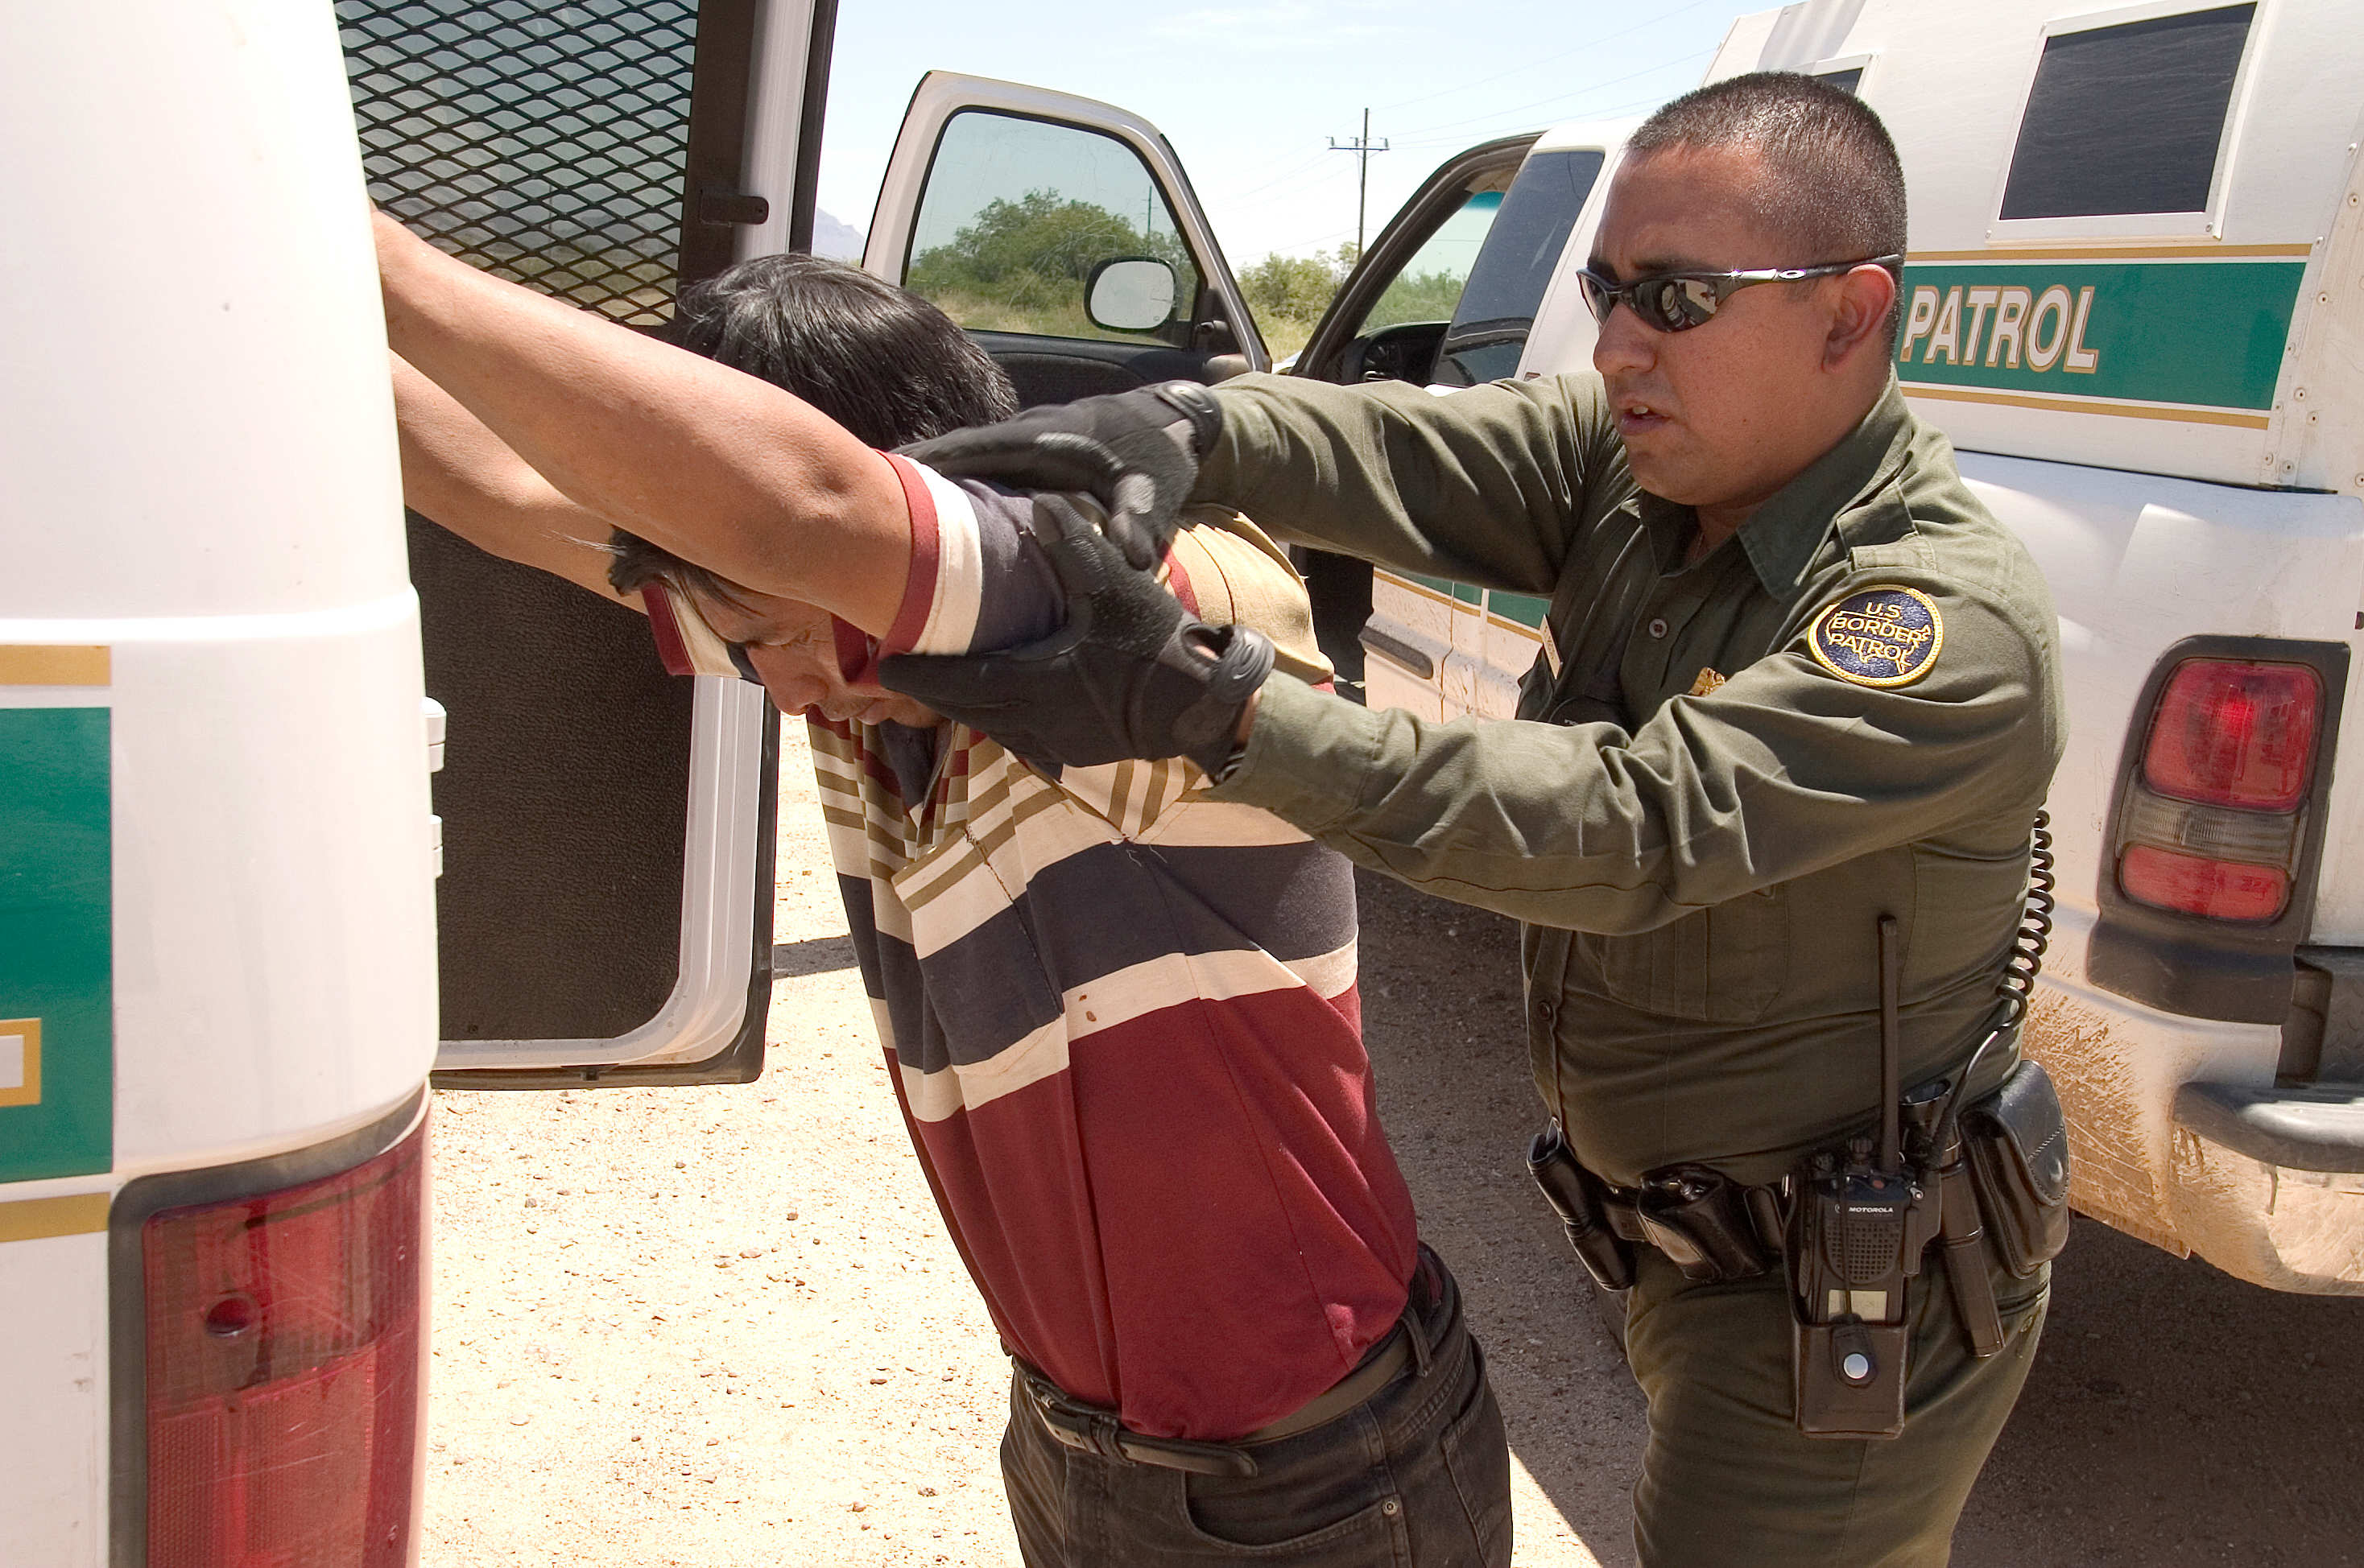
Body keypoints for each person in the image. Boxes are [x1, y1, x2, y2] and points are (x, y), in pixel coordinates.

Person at [877, 74, 2069, 1568]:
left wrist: (1217, 714)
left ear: (1850, 314)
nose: (1621, 343)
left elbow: (1631, 827)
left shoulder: (1937, 621)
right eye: (1608, 290)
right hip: (1696, 1246)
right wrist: (1192, 426)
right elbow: (1408, 450)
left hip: (1833, 1291)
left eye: (1680, 300)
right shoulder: (1649, 476)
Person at [378, 239, 1513, 1567]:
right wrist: (279, 300)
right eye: (746, 644)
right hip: (1081, 1452)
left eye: (789, 638)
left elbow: (803, 514)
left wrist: (359, 243)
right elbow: (514, 490)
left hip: (1311, 1479)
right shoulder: (845, 657)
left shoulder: (1143, 610)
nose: (785, 689)